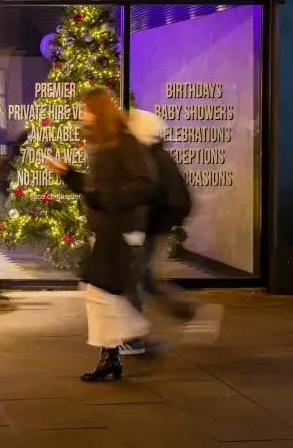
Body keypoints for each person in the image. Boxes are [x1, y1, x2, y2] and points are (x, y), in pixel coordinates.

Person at [43, 87, 156, 382]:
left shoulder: (124, 143)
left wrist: (107, 197)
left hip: (120, 229)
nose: (83, 115)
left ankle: (133, 336)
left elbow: (143, 184)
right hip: (106, 229)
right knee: (102, 293)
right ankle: (113, 354)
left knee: (102, 292)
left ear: (99, 111)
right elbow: (94, 189)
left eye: (87, 109)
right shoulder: (104, 144)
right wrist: (67, 173)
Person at [120, 109, 224, 355]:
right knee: (144, 281)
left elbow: (163, 198)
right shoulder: (155, 156)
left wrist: (150, 224)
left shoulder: (151, 158)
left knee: (133, 280)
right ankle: (191, 313)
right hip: (148, 228)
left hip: (146, 229)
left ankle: (134, 338)